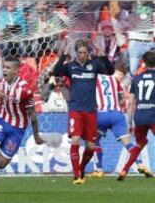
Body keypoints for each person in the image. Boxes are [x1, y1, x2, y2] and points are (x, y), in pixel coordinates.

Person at [0, 57, 45, 195]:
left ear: (16, 71)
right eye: (4, 67)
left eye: (8, 68)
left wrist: (36, 135)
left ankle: (5, 148)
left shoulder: (25, 90)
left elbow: (32, 115)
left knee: (0, 164)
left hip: (17, 129)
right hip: (1, 121)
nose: (5, 70)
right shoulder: (1, 84)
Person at [53, 39, 114, 184]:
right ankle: (76, 176)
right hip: (75, 110)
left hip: (91, 111)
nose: (82, 55)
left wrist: (103, 57)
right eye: (79, 52)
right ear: (76, 53)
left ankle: (81, 169)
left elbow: (110, 72)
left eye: (84, 53)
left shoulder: (94, 65)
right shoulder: (70, 67)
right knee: (75, 139)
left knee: (91, 147)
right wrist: (64, 55)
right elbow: (55, 72)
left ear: (88, 53)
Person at [91, 62, 152, 178]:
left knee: (95, 140)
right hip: (117, 115)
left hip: (101, 114)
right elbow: (122, 101)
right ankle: (139, 163)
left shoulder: (95, 79)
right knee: (128, 142)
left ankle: (98, 169)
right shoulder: (116, 83)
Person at [117, 50, 155, 180]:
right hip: (153, 115)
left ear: (143, 62)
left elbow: (130, 102)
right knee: (141, 143)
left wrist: (129, 122)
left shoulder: (137, 78)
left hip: (140, 117)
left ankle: (124, 170)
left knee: (140, 143)